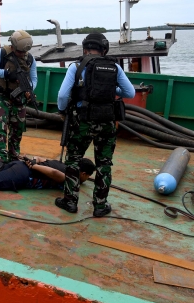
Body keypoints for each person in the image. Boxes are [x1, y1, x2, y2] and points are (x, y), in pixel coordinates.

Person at [56, 32, 135, 217]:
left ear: (84, 48)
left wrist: (62, 111)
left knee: (74, 160)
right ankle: (100, 206)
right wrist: (110, 89)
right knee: (104, 164)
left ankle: (70, 202)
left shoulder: (76, 66)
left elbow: (62, 95)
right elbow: (129, 92)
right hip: (107, 122)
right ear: (104, 49)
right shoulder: (114, 66)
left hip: (82, 122)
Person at [0, 30, 37, 170]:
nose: (21, 55)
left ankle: (14, 155)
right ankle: (0, 157)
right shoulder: (2, 53)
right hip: (2, 96)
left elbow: (34, 78)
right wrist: (6, 74)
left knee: (18, 128)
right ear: (13, 46)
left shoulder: (29, 58)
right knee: (0, 127)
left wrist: (29, 90)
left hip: (19, 99)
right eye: (19, 52)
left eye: (23, 52)